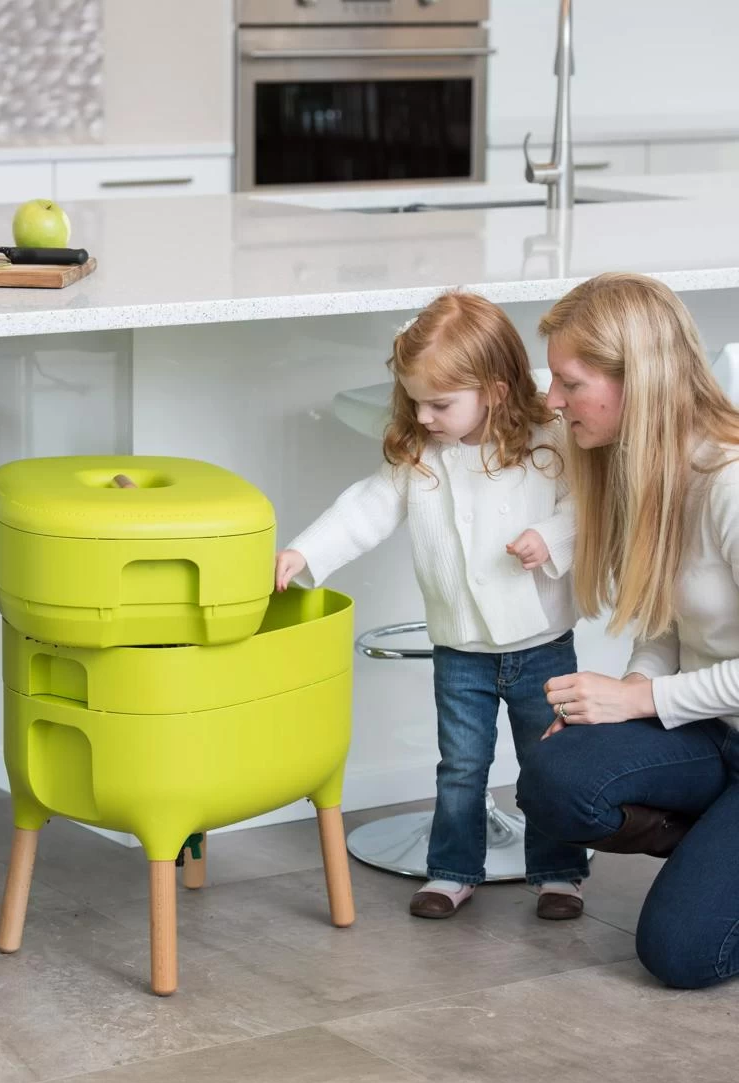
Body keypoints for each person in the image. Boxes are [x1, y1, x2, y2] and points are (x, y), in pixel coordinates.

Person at [276, 291, 589, 922]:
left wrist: (549, 538)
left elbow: (585, 505)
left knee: (549, 760)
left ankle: (558, 872)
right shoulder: (421, 457)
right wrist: (305, 552)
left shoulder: (548, 443)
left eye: (440, 404)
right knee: (461, 765)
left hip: (542, 645)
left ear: (495, 391)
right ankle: (453, 869)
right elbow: (365, 507)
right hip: (460, 648)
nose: (423, 416)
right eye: (415, 400)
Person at [516, 271, 739, 988]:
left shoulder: (731, 484)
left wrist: (638, 701)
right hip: (715, 732)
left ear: (635, 382)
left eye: (569, 383)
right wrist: (625, 694)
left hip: (712, 723)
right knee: (556, 775)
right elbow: (667, 626)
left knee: (682, 954)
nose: (552, 401)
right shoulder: (656, 474)